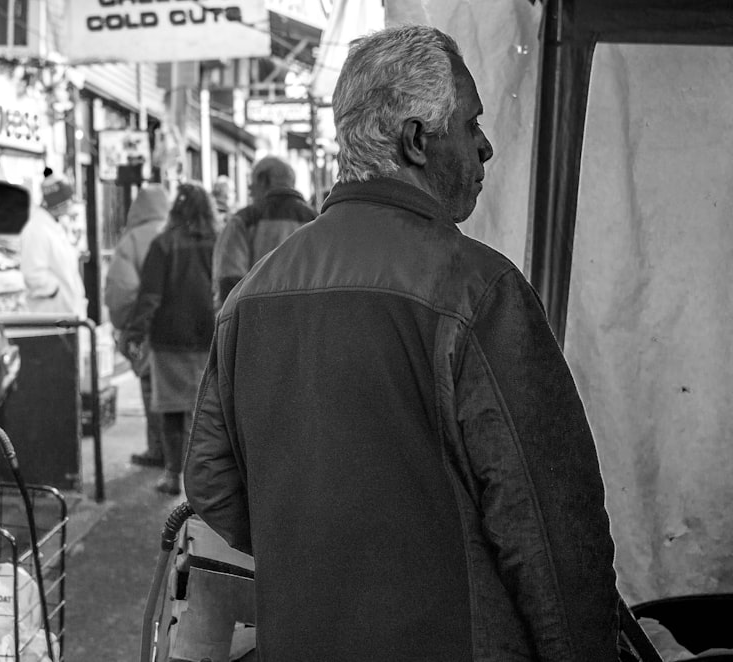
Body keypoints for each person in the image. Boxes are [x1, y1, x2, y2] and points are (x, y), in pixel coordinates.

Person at [184, 25, 620, 661]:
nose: (486, 146)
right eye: (470, 125)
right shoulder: (478, 289)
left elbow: (212, 483)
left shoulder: (250, 298)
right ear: (418, 140)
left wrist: (319, 550)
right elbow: (551, 532)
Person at [124, 182, 218, 495]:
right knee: (208, 413)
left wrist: (134, 333)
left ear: (176, 210)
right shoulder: (220, 242)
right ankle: (206, 482)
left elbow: (149, 296)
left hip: (169, 341)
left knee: (173, 412)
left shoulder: (164, 244)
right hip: (211, 339)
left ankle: (173, 476)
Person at [104, 183, 170, 468]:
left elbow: (122, 289)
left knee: (150, 390)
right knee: (179, 394)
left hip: (146, 328)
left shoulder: (131, 240)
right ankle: (178, 455)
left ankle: (156, 449)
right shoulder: (174, 233)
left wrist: (125, 324)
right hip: (180, 329)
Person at [211, 155, 315, 309]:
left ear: (264, 181)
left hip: (256, 323)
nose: (250, 192)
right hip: (307, 321)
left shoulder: (243, 221)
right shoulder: (316, 220)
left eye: (251, 186)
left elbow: (229, 279)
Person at [20, 174, 88, 319]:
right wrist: (58, 293)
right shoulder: (36, 230)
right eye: (68, 200)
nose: (71, 204)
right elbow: (33, 275)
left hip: (66, 313)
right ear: (59, 203)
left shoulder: (54, 226)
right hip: (53, 314)